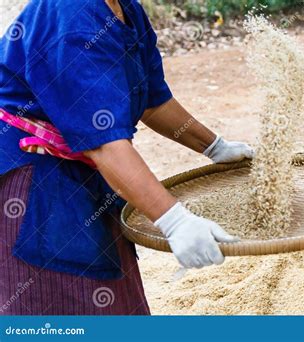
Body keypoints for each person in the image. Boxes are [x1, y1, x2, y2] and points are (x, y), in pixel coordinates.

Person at [0, 0, 253, 315]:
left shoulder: (127, 10)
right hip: (34, 183)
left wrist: (215, 147)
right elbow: (104, 145)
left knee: (117, 299)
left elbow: (153, 102)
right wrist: (175, 221)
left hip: (90, 174)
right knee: (60, 299)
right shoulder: (73, 16)